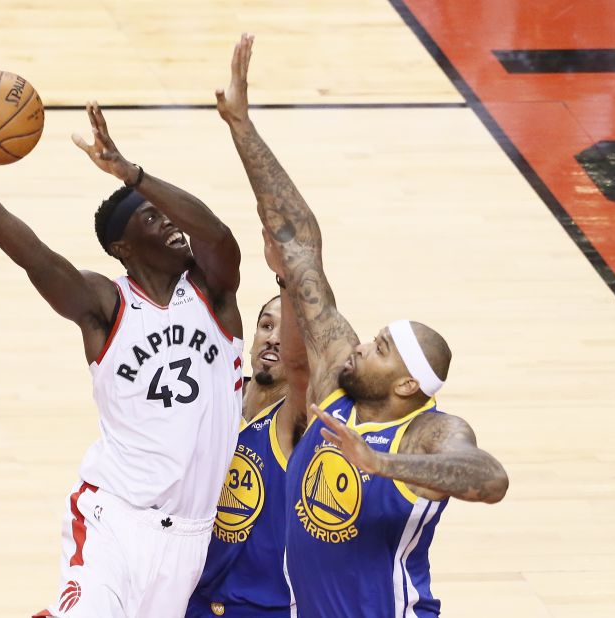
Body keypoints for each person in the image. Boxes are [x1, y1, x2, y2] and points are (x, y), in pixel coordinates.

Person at [217, 34, 510, 617]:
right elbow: (299, 244)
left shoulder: (428, 433)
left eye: (378, 349)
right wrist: (242, 127)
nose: (357, 350)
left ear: (406, 384)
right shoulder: (334, 387)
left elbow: (490, 479)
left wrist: (381, 465)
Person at [0, 101, 245, 618]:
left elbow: (217, 235)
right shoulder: (107, 306)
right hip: (114, 519)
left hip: (191, 537)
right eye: (154, 217)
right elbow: (36, 259)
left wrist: (134, 175)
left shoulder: (212, 293)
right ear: (124, 248)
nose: (172, 222)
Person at [187, 231, 309, 617]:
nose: (273, 339)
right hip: (188, 596)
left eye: (286, 331)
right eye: (266, 326)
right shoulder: (216, 392)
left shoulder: (298, 418)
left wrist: (286, 277)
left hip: (261, 606)